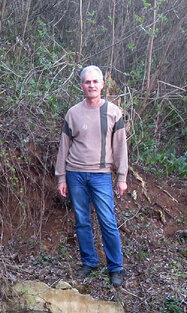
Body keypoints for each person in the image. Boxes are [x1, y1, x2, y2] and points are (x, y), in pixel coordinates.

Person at [54, 65, 129, 288]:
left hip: (100, 175)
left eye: (95, 82)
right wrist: (61, 177)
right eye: (87, 82)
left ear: (102, 84)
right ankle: (89, 262)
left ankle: (115, 268)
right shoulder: (73, 113)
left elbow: (120, 148)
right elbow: (64, 146)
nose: (92, 85)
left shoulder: (113, 112)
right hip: (75, 173)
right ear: (82, 86)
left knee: (108, 221)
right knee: (82, 221)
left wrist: (122, 177)